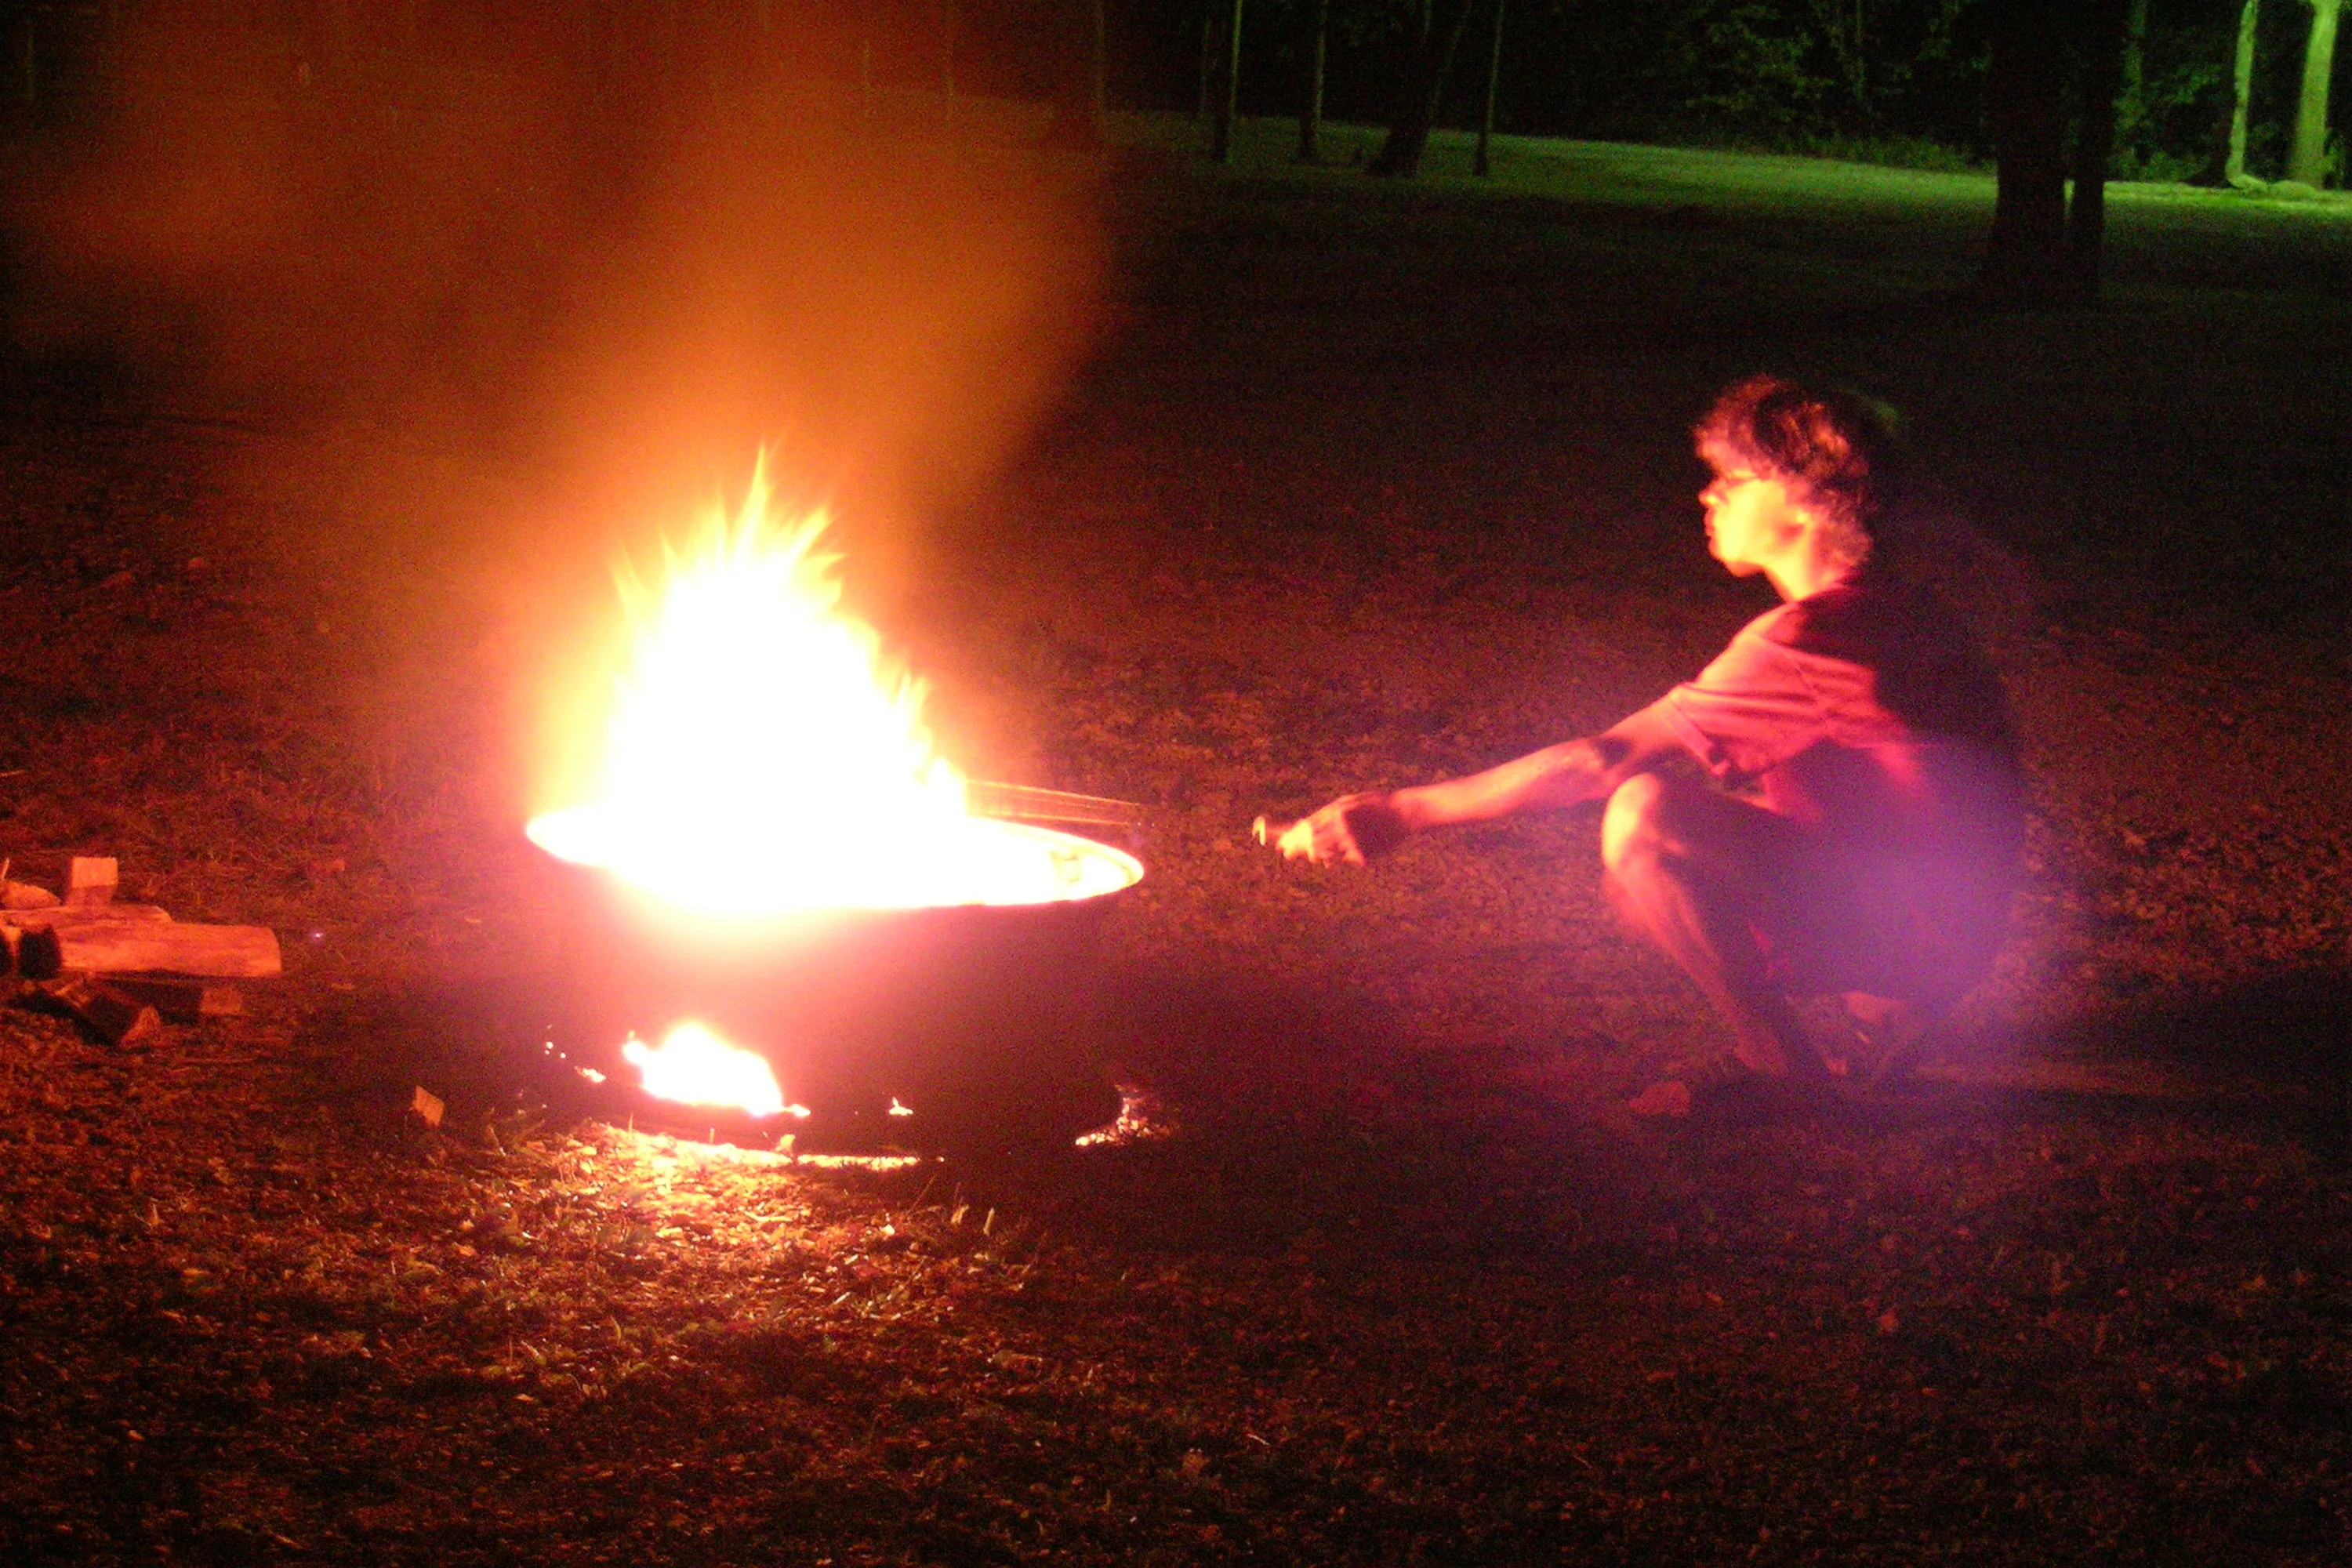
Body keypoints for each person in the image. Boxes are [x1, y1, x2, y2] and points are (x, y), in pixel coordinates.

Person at [1274, 375, 2024, 1113]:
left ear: (1804, 502)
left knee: (1646, 816)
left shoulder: (1811, 638)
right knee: (1747, 800)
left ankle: (1783, 1069)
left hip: (1919, 934)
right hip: (1949, 933)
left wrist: (1399, 813)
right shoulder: (1898, 610)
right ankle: (1880, 1025)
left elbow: (1600, 762)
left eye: (1734, 480)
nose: (1710, 496)